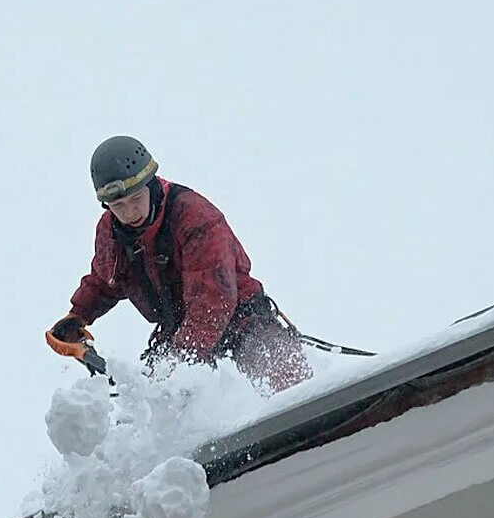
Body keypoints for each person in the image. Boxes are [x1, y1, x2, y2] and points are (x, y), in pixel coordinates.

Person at [46, 135, 311, 393]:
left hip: (242, 321)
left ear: (151, 185)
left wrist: (177, 363)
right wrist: (78, 315)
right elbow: (106, 280)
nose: (129, 212)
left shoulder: (195, 217)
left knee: (283, 377)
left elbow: (213, 303)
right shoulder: (111, 232)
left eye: (136, 199)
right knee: (153, 408)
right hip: (177, 332)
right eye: (118, 205)